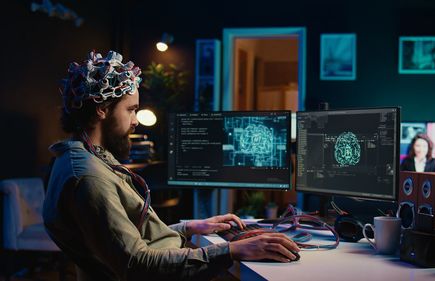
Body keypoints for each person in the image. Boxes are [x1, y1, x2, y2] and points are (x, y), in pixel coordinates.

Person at [43, 50, 300, 281]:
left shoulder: (80, 157)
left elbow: (126, 238)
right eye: (131, 110)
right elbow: (136, 264)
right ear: (101, 110)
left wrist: (189, 227)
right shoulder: (89, 178)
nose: (135, 121)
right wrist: (230, 250)